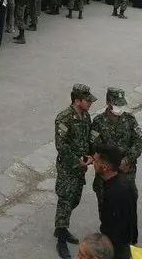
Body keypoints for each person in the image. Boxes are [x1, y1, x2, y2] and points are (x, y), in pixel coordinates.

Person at [54, 82, 95, 258]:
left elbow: (88, 139)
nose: (90, 103)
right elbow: (61, 145)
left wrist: (90, 155)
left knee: (74, 200)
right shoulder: (64, 118)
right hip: (68, 168)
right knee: (65, 199)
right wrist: (76, 160)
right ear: (77, 101)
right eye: (87, 101)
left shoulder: (86, 117)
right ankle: (61, 238)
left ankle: (61, 228)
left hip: (81, 168)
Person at [90, 88, 142, 205]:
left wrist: (126, 160)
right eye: (116, 104)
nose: (120, 108)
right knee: (106, 204)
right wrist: (113, 164)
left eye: (121, 104)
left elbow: (138, 142)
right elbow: (95, 146)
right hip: (106, 173)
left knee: (129, 203)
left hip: (127, 171)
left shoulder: (130, 120)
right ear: (108, 102)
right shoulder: (98, 121)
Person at [92, 144, 137, 259]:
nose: (93, 164)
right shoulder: (124, 182)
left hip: (116, 249)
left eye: (96, 161)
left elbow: (113, 227)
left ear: (104, 167)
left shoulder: (114, 192)